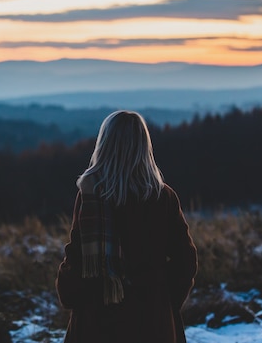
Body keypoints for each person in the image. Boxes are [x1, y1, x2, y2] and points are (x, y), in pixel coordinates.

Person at [56, 110, 198, 343]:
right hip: (153, 324)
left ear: (103, 145)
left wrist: (71, 292)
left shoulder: (91, 196)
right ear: (144, 147)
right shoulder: (163, 197)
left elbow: (76, 264)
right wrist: (163, 302)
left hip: (97, 324)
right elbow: (186, 261)